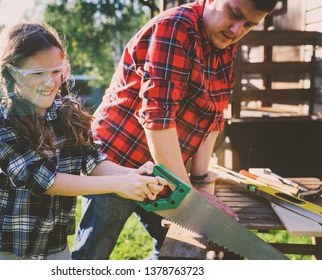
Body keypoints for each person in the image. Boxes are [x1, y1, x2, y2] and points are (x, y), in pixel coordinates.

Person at [72, 0, 279, 260]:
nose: (236, 30)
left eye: (248, 25)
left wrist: (200, 180)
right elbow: (158, 118)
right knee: (92, 256)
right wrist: (190, 199)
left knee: (176, 252)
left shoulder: (227, 44)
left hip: (164, 168)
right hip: (117, 161)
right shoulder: (174, 29)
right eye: (234, 14)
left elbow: (213, 115)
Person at [0, 22, 166, 260]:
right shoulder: (1, 118)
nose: (50, 83)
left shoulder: (67, 112)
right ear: (11, 73)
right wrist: (116, 185)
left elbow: (92, 161)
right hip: (10, 249)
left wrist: (130, 175)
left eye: (56, 71)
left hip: (55, 246)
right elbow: (44, 181)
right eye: (37, 73)